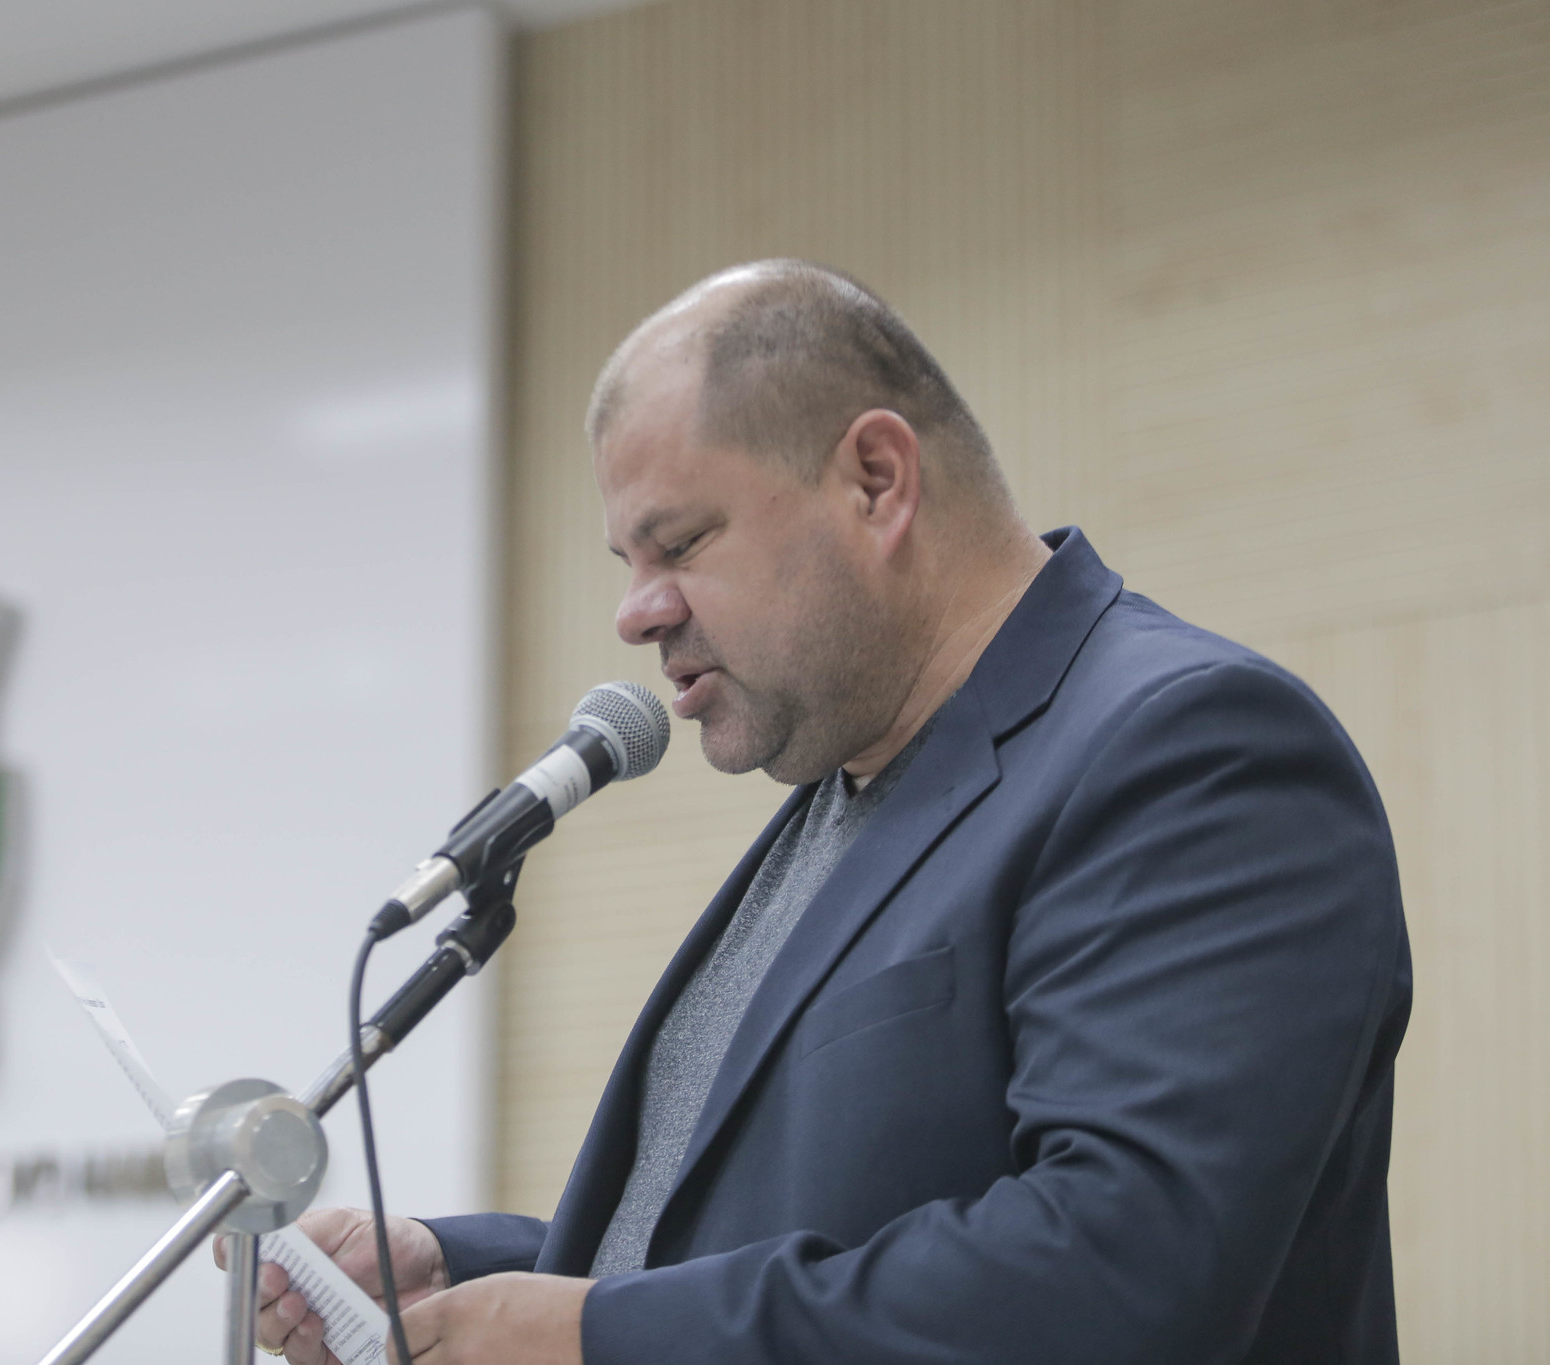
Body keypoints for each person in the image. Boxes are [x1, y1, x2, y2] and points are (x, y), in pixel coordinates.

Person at [246, 261, 1412, 1363]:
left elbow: (1120, 1273)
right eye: (623, 559)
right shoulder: (838, 790)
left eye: (681, 542)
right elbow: (780, 1232)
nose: (636, 613)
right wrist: (470, 1271)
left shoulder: (1188, 750)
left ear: (875, 481)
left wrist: (601, 1341)